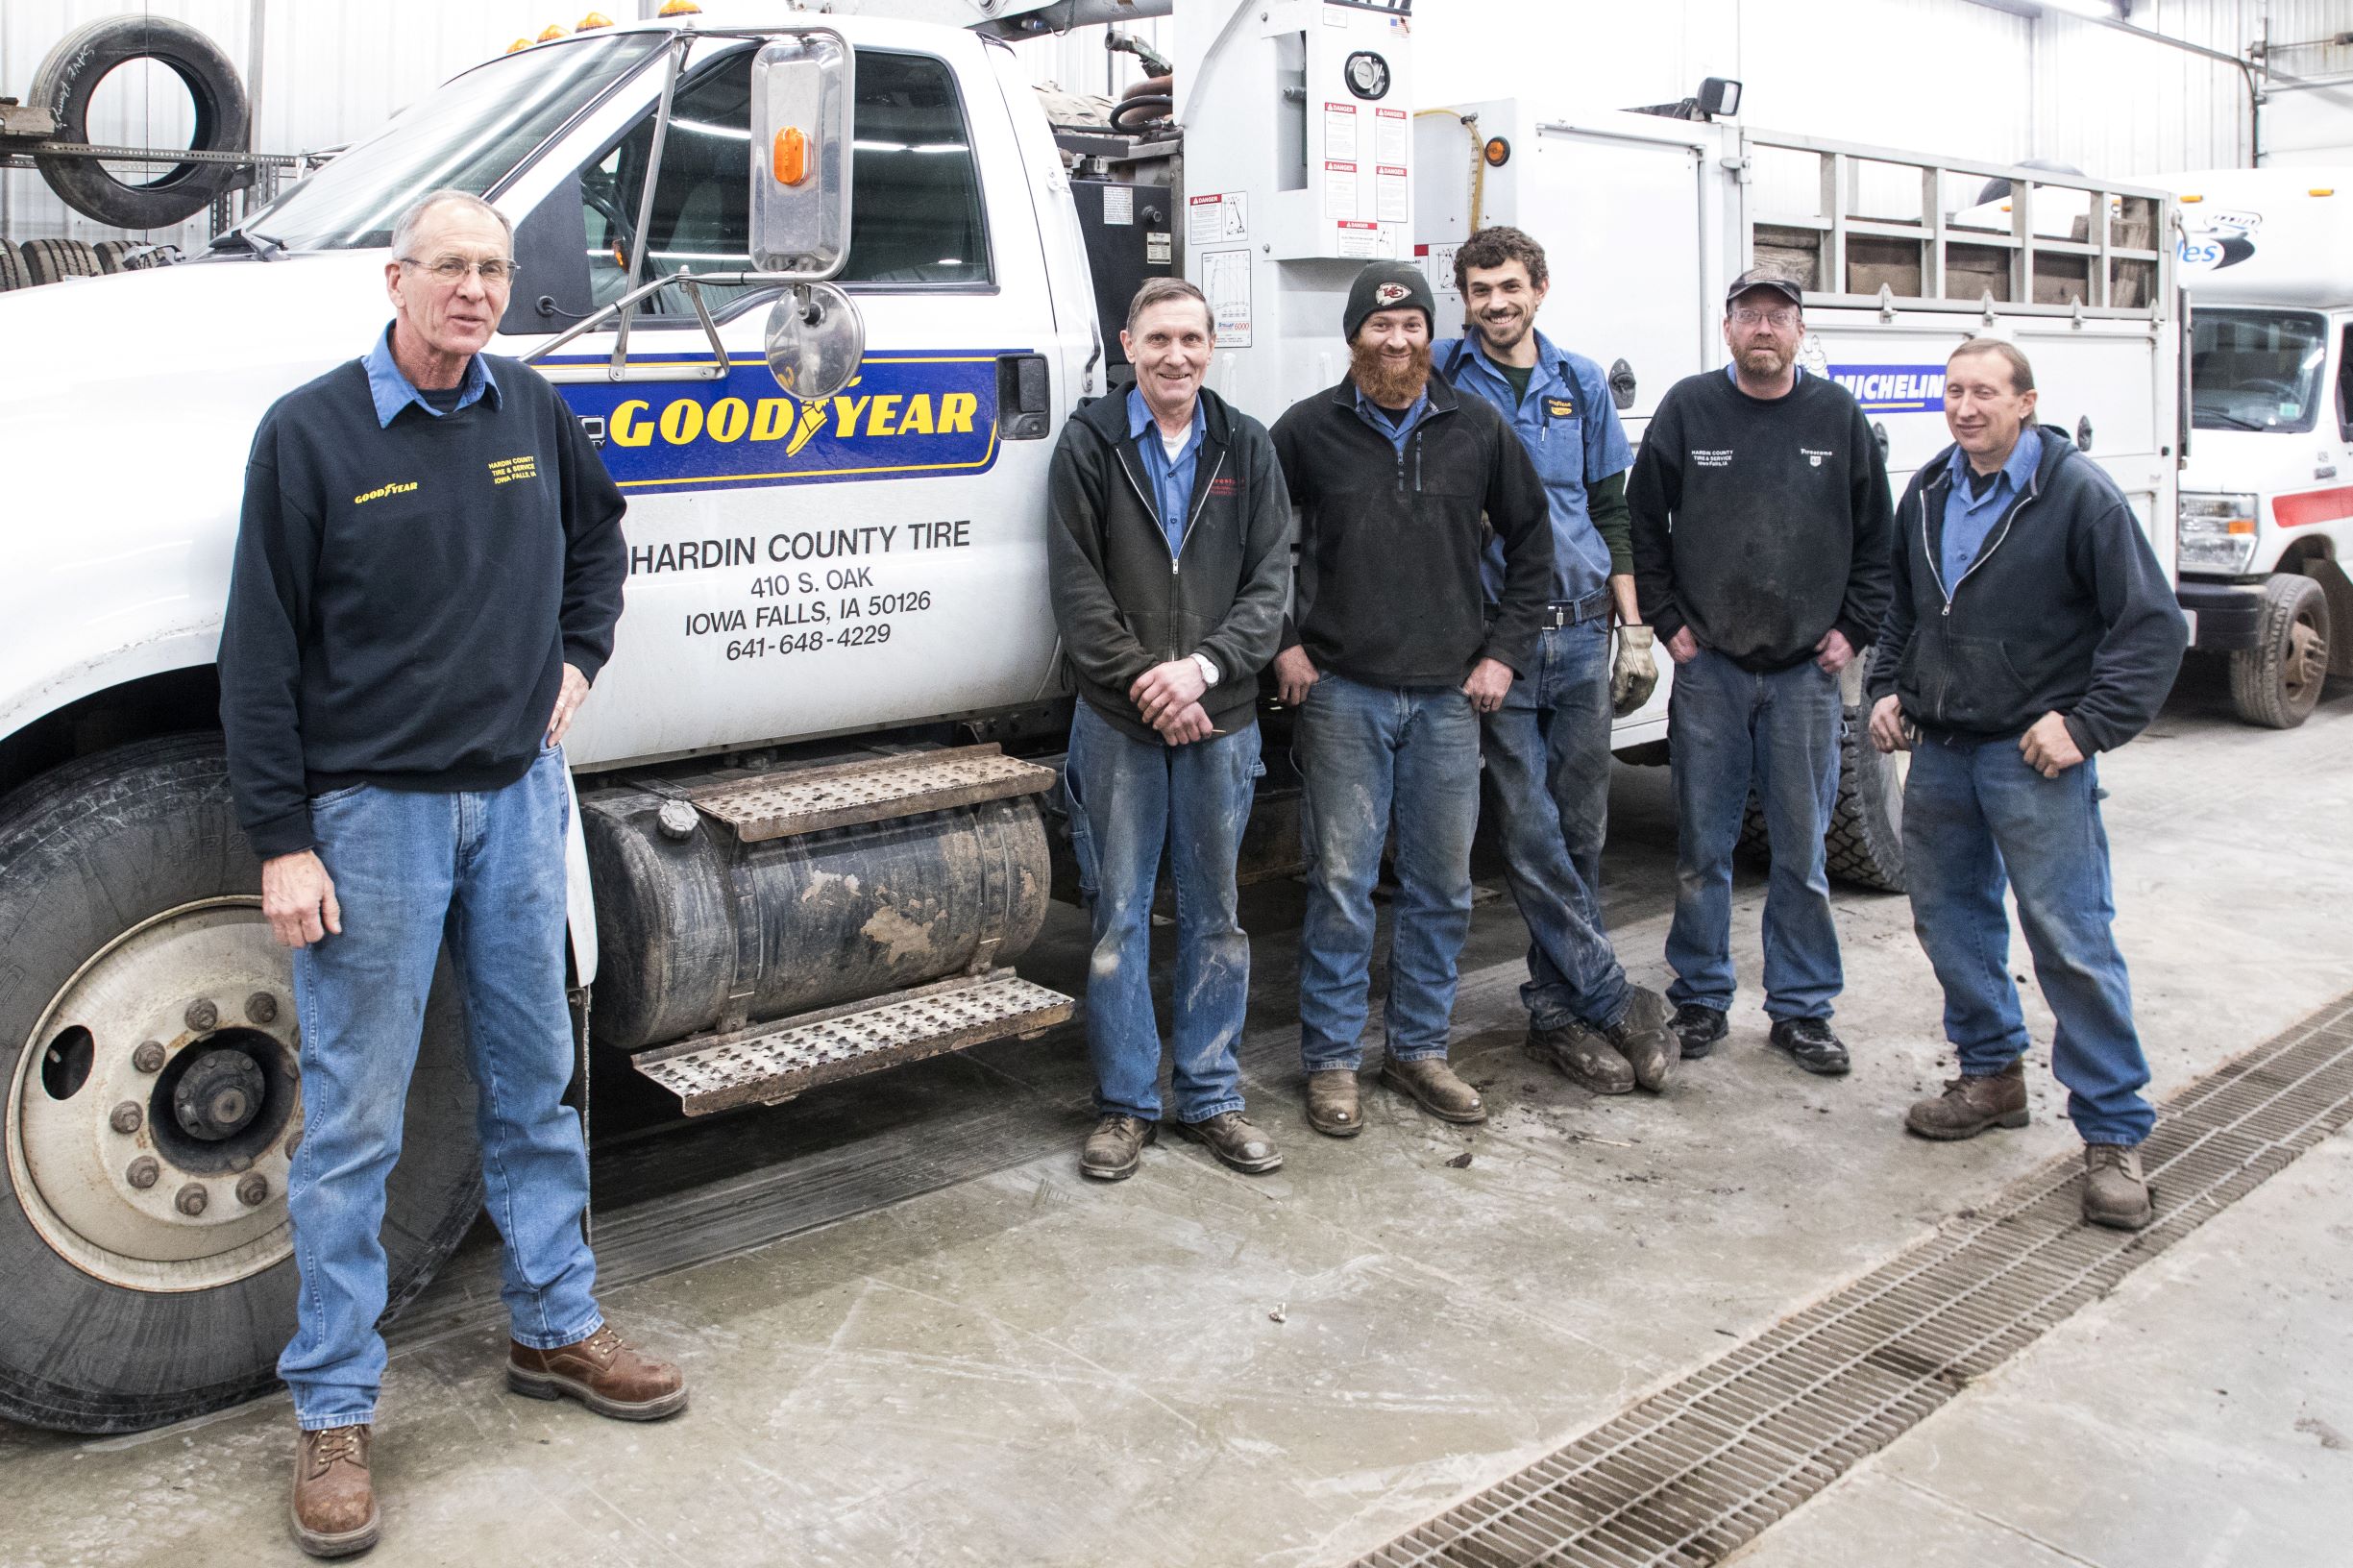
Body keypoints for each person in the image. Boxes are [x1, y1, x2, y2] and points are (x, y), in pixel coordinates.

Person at [219, 189, 680, 1560]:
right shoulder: (310, 434)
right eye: (451, 269)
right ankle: (334, 1410)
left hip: (515, 802)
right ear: (396, 280)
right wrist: (282, 838)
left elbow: (600, 541)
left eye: (493, 270)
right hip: (374, 820)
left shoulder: (530, 413)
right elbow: (258, 651)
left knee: (535, 1081)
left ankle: (555, 1327)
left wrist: (578, 658)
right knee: (355, 1125)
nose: (476, 290)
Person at [1869, 337, 2185, 1231]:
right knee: (1950, 920)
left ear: (2026, 403)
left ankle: (2114, 1132)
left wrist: (2084, 727)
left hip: (2031, 758)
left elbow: (2151, 628)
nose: (1965, 408)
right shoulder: (1927, 491)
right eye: (1953, 393)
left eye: (1984, 394)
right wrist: (1889, 690)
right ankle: (1991, 1076)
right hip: (1941, 751)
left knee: (2069, 938)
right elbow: (1903, 607)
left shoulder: (2078, 497)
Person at [1271, 262, 1552, 1136]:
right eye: (1379, 329)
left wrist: (1503, 655)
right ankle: (1330, 1064)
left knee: (1441, 888)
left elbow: (1535, 545)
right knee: (1343, 887)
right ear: (1353, 338)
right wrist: (1284, 643)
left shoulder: (1478, 428)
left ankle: (1419, 1050)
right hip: (1342, 696)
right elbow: (1256, 551)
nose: (1396, 342)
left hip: (1445, 701)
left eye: (1412, 328)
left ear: (1432, 336)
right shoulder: (1305, 432)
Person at [1048, 277, 1293, 1182]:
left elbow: (1272, 583)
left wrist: (1204, 670)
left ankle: (1211, 1097)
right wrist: (1148, 679)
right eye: (1158, 340)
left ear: (1212, 344)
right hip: (1119, 721)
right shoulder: (1090, 445)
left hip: (1220, 716)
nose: (1175, 356)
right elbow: (1076, 589)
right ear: (1128, 344)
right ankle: (1123, 1106)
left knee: (1217, 915)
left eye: (1191, 338)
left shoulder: (1246, 444)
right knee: (1116, 920)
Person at [1628, 265, 1891, 1077]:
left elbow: (1877, 542)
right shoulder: (1688, 407)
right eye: (1751, 315)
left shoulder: (1836, 417)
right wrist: (1666, 624)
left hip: (1805, 676)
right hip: (1711, 671)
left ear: (1800, 330)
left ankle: (1801, 1010)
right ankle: (1701, 998)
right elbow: (1642, 522)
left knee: (1801, 851)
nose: (1765, 329)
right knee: (1702, 847)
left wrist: (1853, 630)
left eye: (1780, 316)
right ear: (1727, 327)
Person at [1433, 225, 1678, 1097]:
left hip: (1580, 635)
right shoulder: (1438, 379)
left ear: (1538, 287)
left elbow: (1610, 511)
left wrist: (1634, 628)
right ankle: (1608, 999)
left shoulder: (1579, 382)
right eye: (1478, 290)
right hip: (1495, 643)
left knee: (1582, 830)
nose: (1494, 303)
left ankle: (1559, 1008)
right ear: (1461, 299)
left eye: (1508, 286)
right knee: (1528, 831)